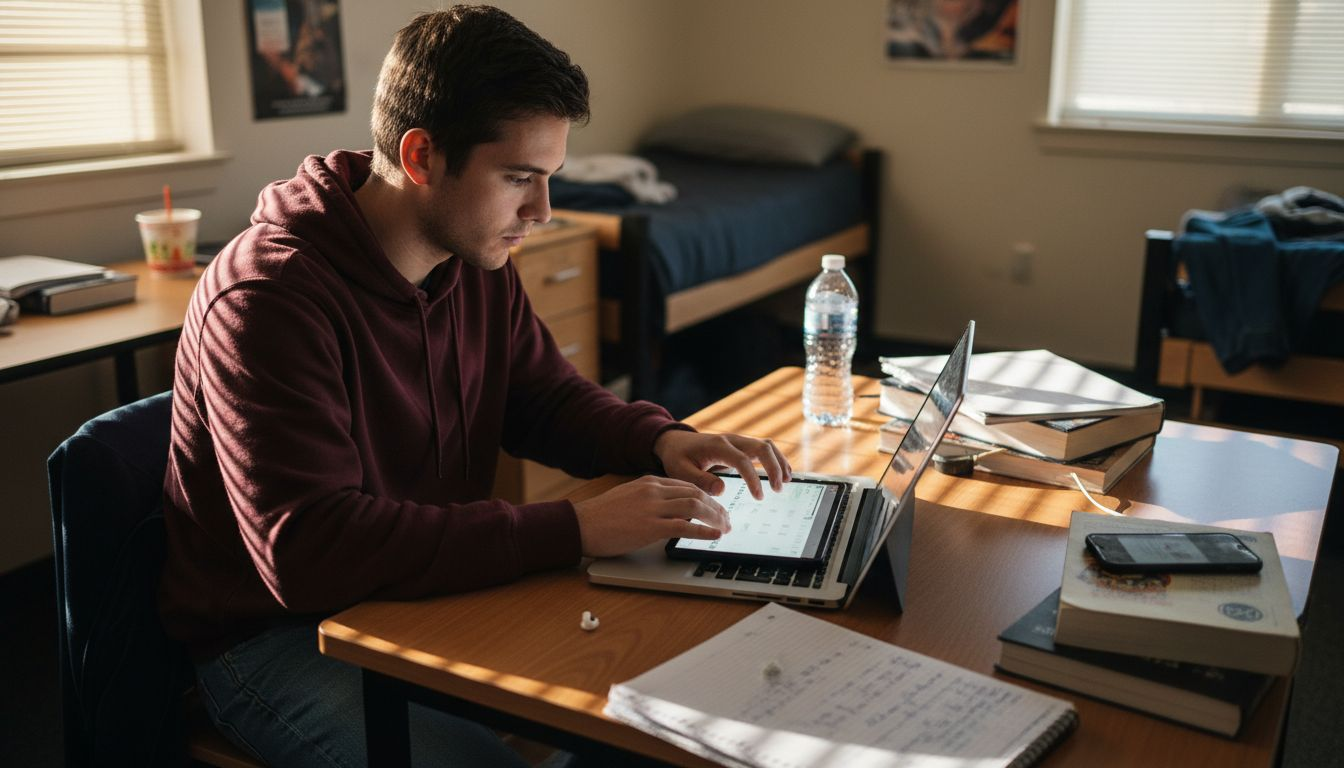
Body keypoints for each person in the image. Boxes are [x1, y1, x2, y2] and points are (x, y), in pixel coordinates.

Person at [158, 5, 791, 766]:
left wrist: (661, 439)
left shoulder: (472, 258)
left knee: (664, 705)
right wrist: (576, 528)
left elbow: (544, 398)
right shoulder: (267, 297)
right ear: (421, 156)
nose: (543, 212)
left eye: (549, 178)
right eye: (520, 178)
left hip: (424, 592)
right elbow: (309, 552)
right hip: (278, 639)